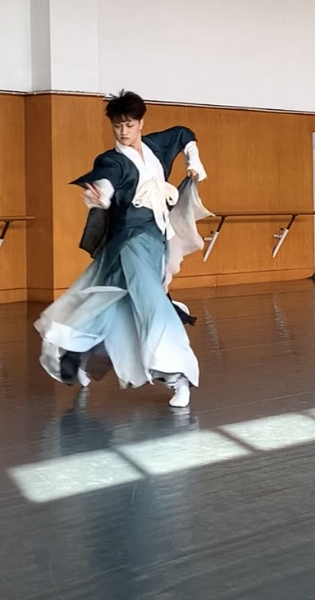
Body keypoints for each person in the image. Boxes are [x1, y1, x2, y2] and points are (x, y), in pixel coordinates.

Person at [35, 90, 209, 408]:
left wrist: (193, 162)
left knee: (112, 304)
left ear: (141, 123)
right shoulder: (112, 160)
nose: (123, 131)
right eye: (117, 125)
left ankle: (78, 356)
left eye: (129, 124)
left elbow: (185, 134)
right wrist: (100, 195)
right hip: (129, 241)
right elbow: (107, 180)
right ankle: (178, 375)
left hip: (157, 240)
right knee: (152, 305)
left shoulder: (155, 147)